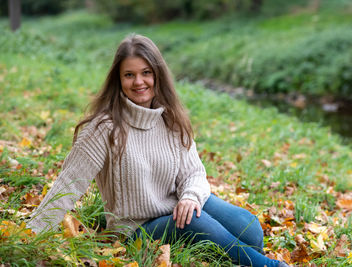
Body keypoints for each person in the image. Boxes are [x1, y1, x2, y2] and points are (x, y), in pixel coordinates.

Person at [27, 34, 289, 267]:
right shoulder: (104, 128)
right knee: (192, 223)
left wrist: (190, 197)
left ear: (157, 75)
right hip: (137, 228)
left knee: (250, 229)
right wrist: (29, 236)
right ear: (118, 80)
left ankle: (221, 250)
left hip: (179, 206)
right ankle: (269, 266)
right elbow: (68, 184)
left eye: (146, 73)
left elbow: (194, 173)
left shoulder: (171, 119)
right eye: (129, 75)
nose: (139, 81)